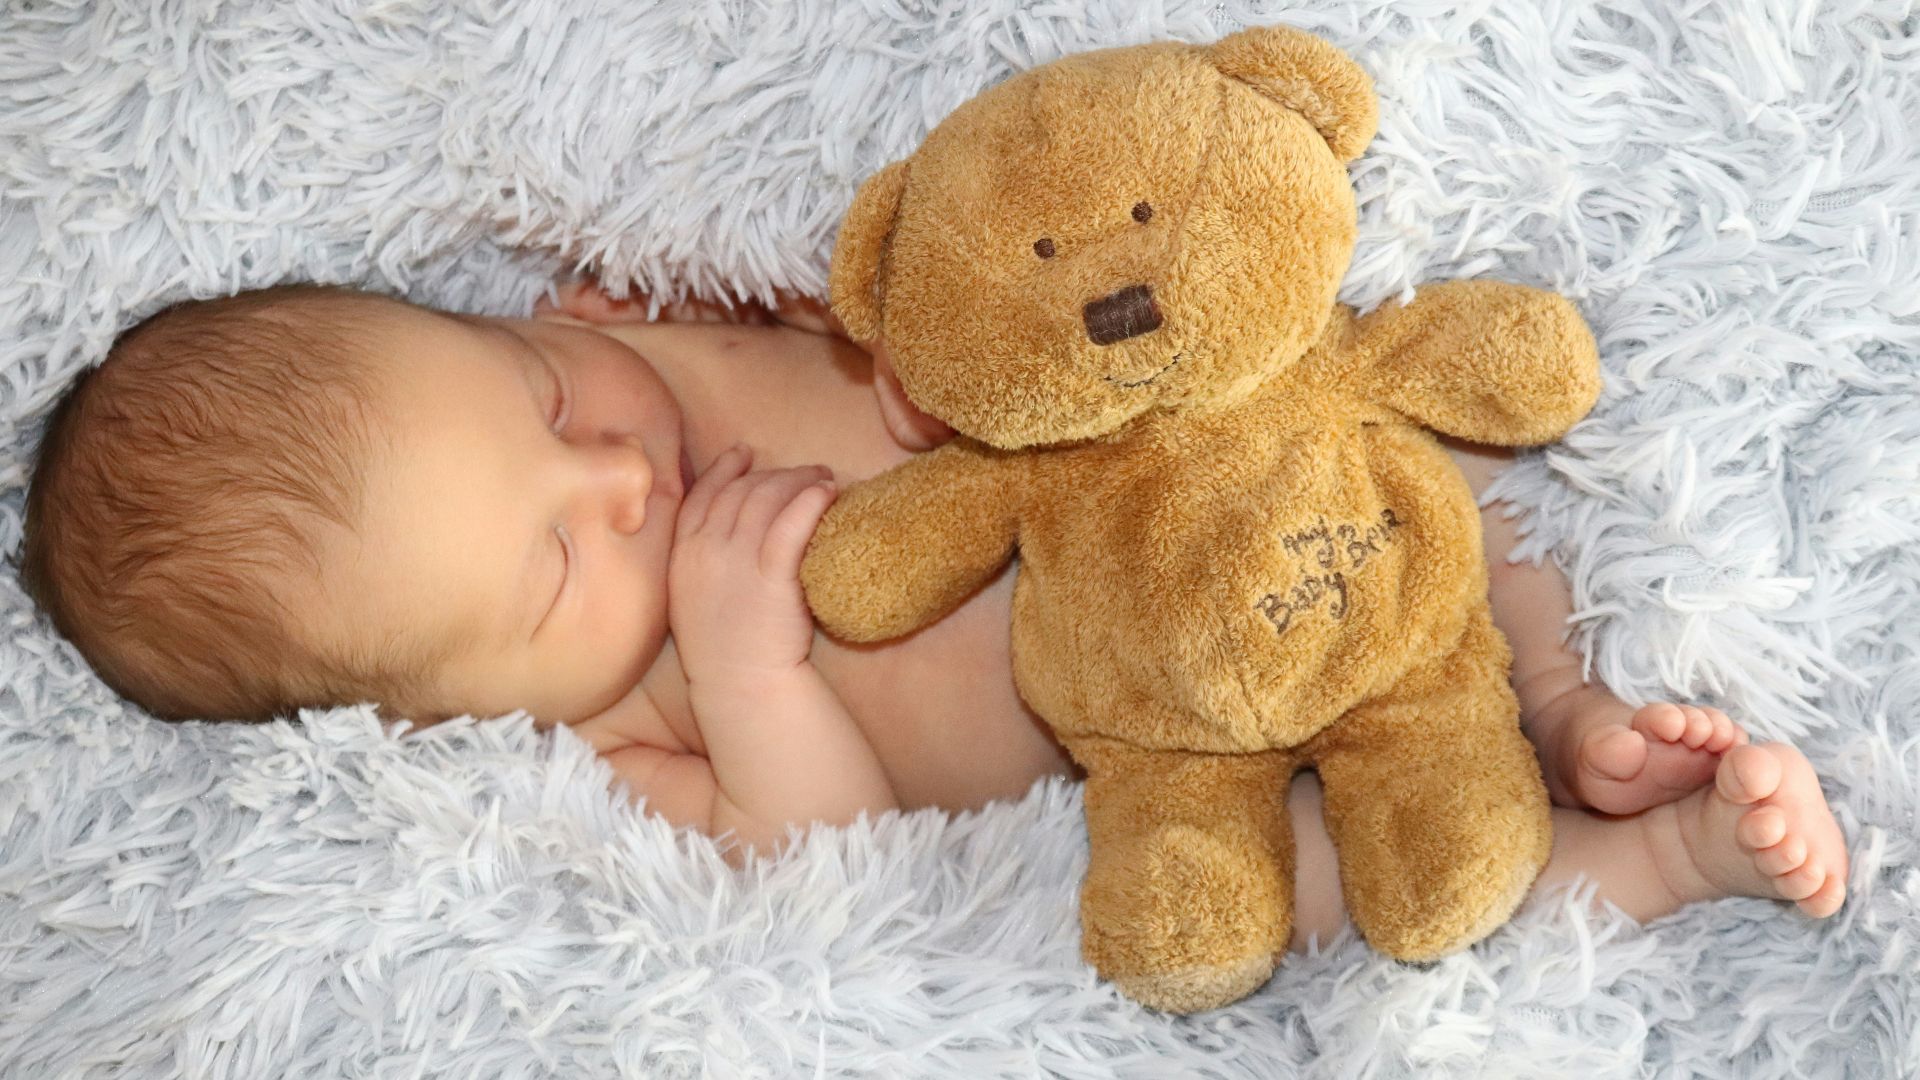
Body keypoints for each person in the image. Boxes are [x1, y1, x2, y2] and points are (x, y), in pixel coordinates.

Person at [17, 279, 1848, 954]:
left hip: (1248, 525)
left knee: (1411, 466)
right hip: (1159, 774)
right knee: (1328, 893)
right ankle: (1665, 859)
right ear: (432, 714)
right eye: (559, 565)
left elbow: (883, 282)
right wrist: (744, 664)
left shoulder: (641, 336)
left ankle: (1554, 699)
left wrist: (884, 345)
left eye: (537, 392)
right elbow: (824, 855)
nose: (618, 478)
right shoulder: (614, 734)